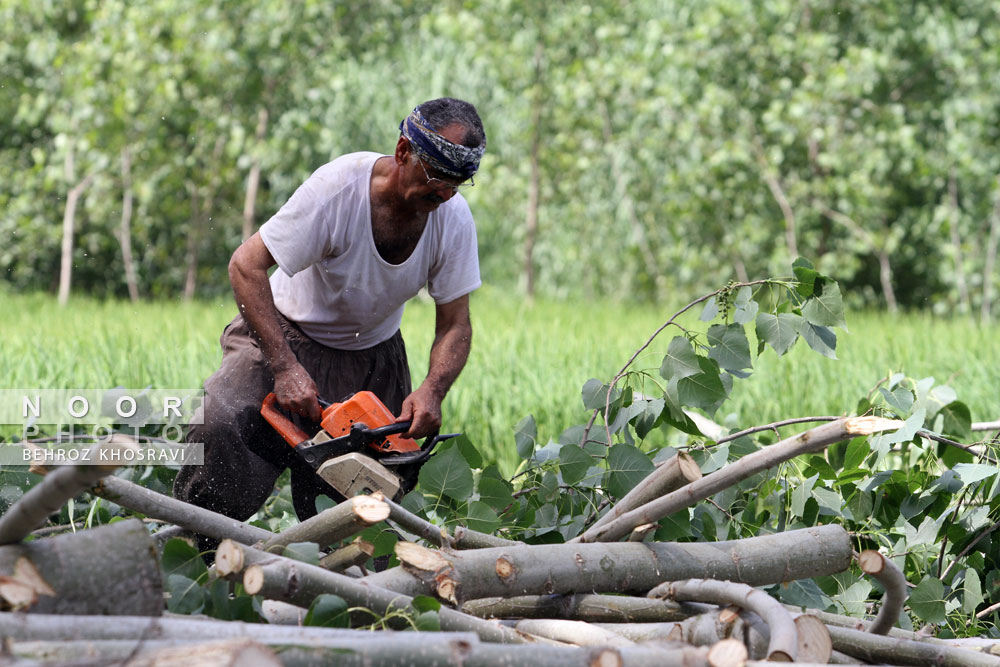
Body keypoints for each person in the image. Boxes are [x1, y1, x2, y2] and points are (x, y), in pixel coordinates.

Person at [173, 97, 486, 533]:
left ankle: (349, 589)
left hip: (373, 359)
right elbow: (245, 265)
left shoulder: (452, 219)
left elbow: (456, 323)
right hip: (283, 336)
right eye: (436, 177)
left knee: (373, 501)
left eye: (457, 184)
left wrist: (434, 388)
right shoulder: (338, 189)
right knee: (221, 426)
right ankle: (194, 550)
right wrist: (284, 367)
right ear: (402, 152)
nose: (444, 194)